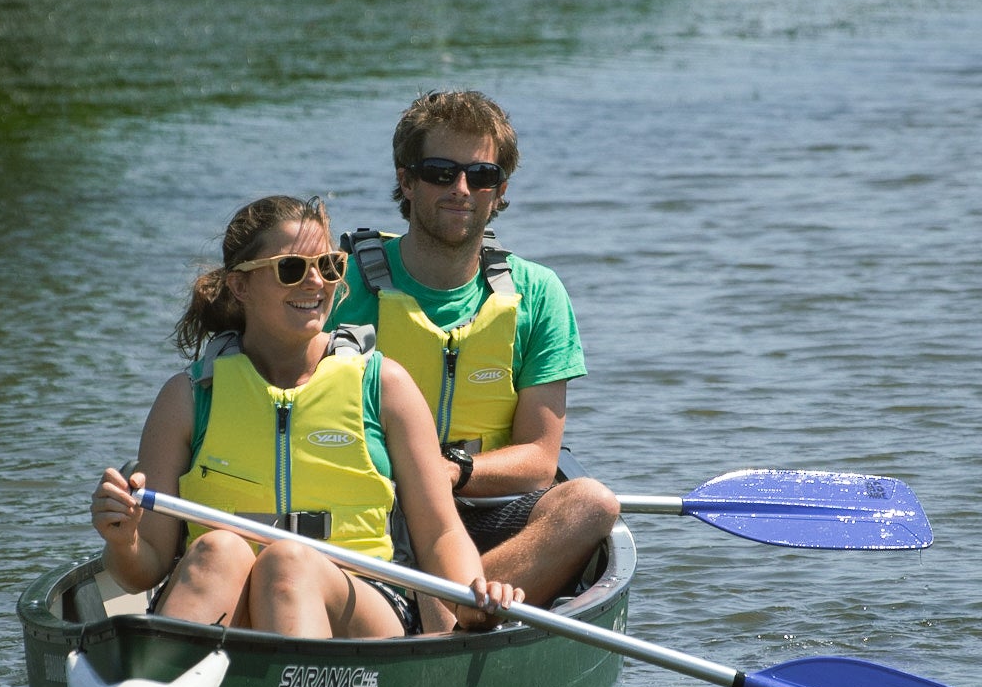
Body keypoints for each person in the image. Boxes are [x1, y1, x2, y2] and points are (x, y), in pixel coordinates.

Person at [88, 194, 523, 639]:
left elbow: (439, 535)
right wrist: (123, 539)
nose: (316, 283)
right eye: (292, 268)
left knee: (287, 561)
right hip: (226, 601)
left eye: (330, 266)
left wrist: (473, 596)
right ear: (240, 286)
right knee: (218, 548)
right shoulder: (187, 397)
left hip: (364, 602)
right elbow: (143, 571)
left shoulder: (386, 385)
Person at [332, 89, 618, 614]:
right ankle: (444, 605)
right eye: (441, 172)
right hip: (372, 512)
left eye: (481, 175)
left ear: (499, 189)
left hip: (486, 516)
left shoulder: (539, 292)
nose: (461, 189)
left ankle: (442, 604)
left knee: (591, 504)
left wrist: (451, 471)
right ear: (407, 180)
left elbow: (538, 459)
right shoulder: (337, 285)